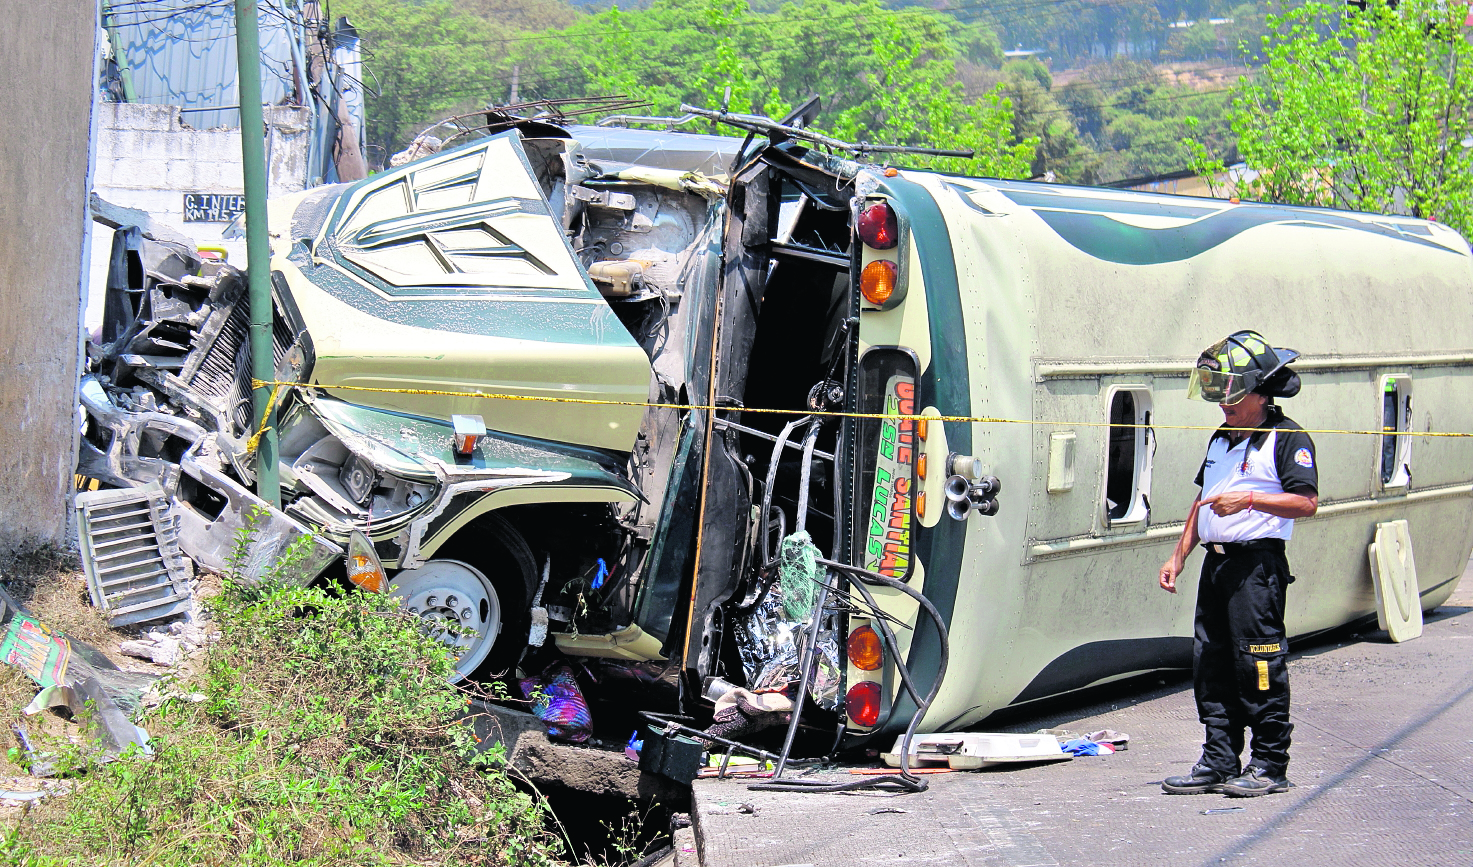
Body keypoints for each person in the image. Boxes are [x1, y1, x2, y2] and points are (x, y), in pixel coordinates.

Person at [1158, 331, 1318, 798]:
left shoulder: (1287, 437)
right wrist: (1178, 555)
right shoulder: (1221, 437)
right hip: (1217, 565)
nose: (1222, 404)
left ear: (1260, 391)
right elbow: (1201, 501)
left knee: (1258, 666)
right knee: (1210, 663)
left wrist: (1251, 500)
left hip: (1257, 568)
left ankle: (1269, 764)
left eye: (1232, 393)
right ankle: (1220, 759)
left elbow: (1307, 503)